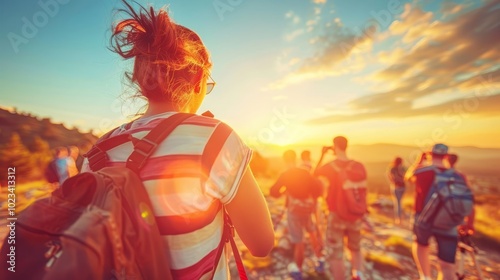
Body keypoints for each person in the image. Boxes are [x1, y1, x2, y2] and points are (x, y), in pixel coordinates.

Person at [82, 2, 274, 278]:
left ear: (138, 80)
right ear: (198, 78)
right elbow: (262, 244)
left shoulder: (95, 153)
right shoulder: (215, 138)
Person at [405, 144, 463, 280]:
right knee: (447, 265)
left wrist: (420, 160)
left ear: (430, 154)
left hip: (423, 217)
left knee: (421, 245)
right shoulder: (457, 176)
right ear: (446, 156)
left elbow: (408, 178)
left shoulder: (422, 172)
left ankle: (425, 276)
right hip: (447, 221)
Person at [314, 136, 368, 280]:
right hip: (356, 214)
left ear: (334, 146)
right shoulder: (359, 165)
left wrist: (323, 154)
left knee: (336, 253)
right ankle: (358, 274)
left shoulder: (331, 166)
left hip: (336, 213)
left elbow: (314, 173)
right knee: (355, 248)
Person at [270, 150, 324, 279]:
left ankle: (298, 270)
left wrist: (285, 191)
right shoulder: (305, 172)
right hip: (308, 209)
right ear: (295, 159)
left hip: (294, 211)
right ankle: (320, 260)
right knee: (312, 233)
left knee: (298, 240)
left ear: (285, 160)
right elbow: (317, 189)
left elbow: (274, 192)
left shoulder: (285, 175)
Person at [386, 157, 407, 225]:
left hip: (396, 187)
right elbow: (406, 176)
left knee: (397, 203)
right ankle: (400, 218)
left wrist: (392, 182)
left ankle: (398, 219)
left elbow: (388, 175)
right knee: (400, 202)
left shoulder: (392, 168)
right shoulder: (403, 168)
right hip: (402, 187)